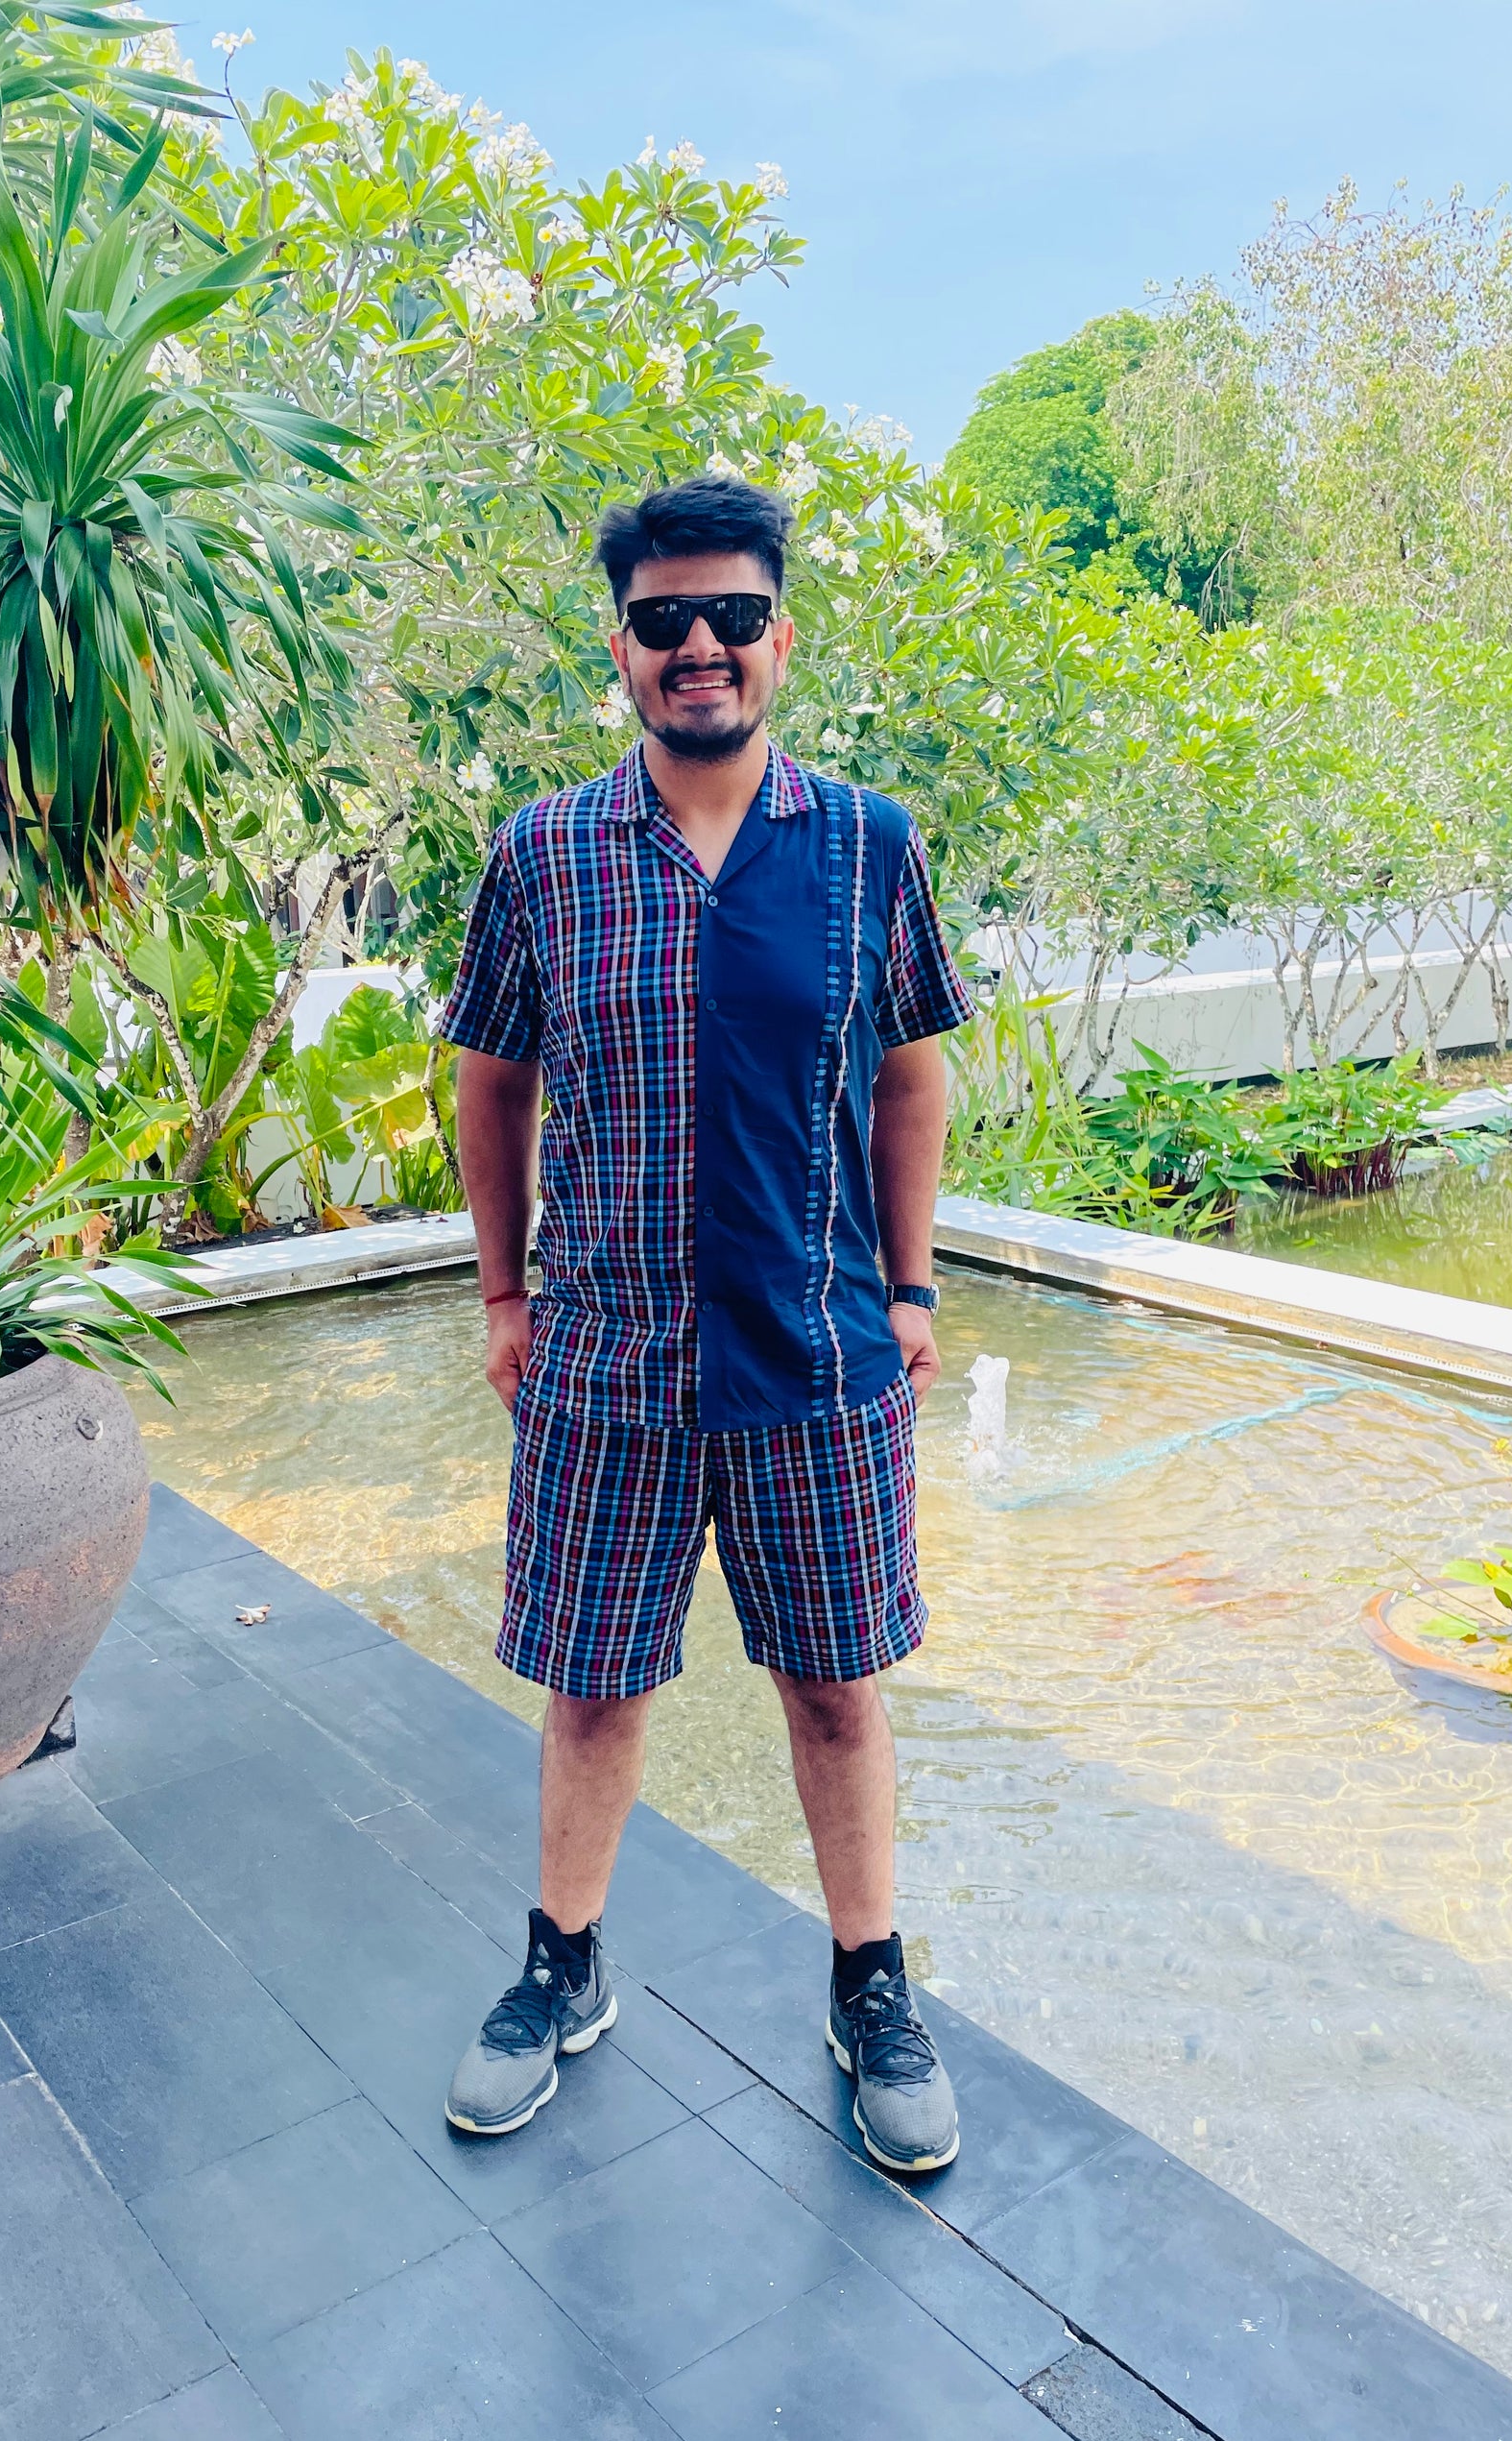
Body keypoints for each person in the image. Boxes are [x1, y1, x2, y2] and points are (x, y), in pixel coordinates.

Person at [438, 473, 972, 2174]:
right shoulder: (544, 851)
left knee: (835, 1691)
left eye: (731, 615)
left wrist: (908, 1288)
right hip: (607, 1363)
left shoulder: (868, 844)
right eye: (662, 619)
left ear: (777, 639)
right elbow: (491, 1081)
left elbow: (908, 1076)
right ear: (621, 647)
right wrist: (505, 1293)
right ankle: (562, 1966)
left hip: (817, 1355)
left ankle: (870, 1986)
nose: (698, 646)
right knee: (592, 1689)